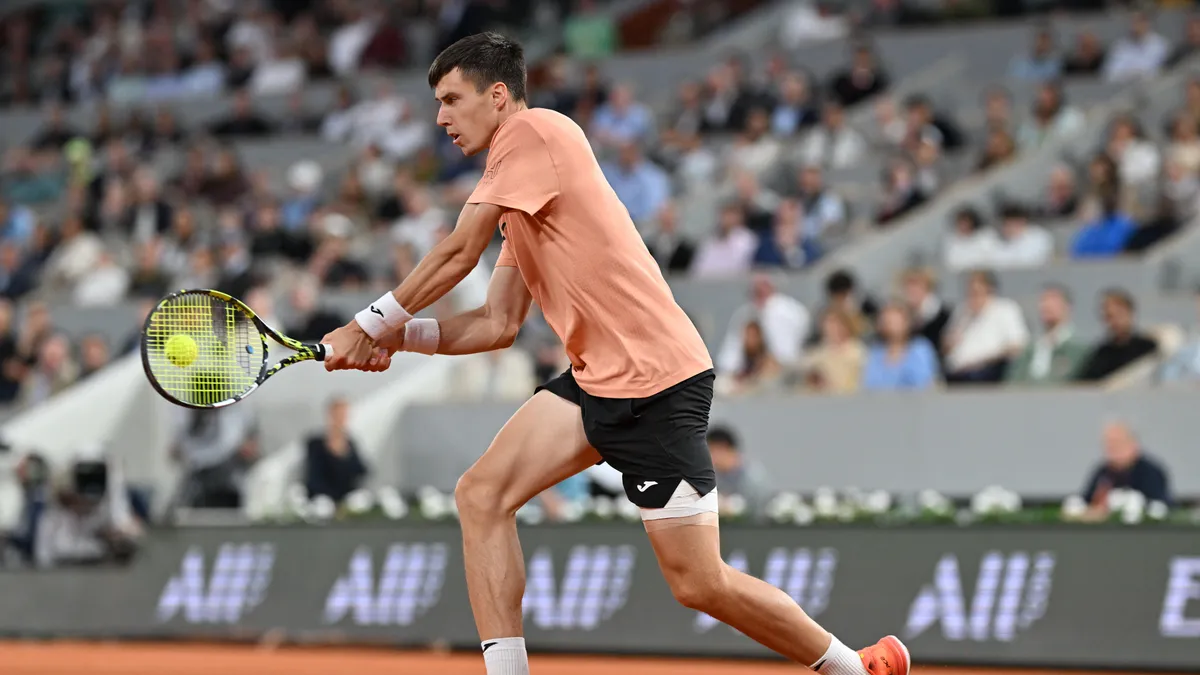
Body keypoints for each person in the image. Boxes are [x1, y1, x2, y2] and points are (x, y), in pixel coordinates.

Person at [319, 31, 909, 675]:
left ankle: (854, 668)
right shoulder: (521, 200)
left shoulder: (535, 132)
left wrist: (367, 323)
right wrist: (396, 337)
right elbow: (496, 323)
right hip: (595, 383)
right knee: (481, 496)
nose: (440, 118)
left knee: (699, 583)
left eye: (451, 100)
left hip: (658, 382)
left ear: (498, 96)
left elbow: (459, 252)